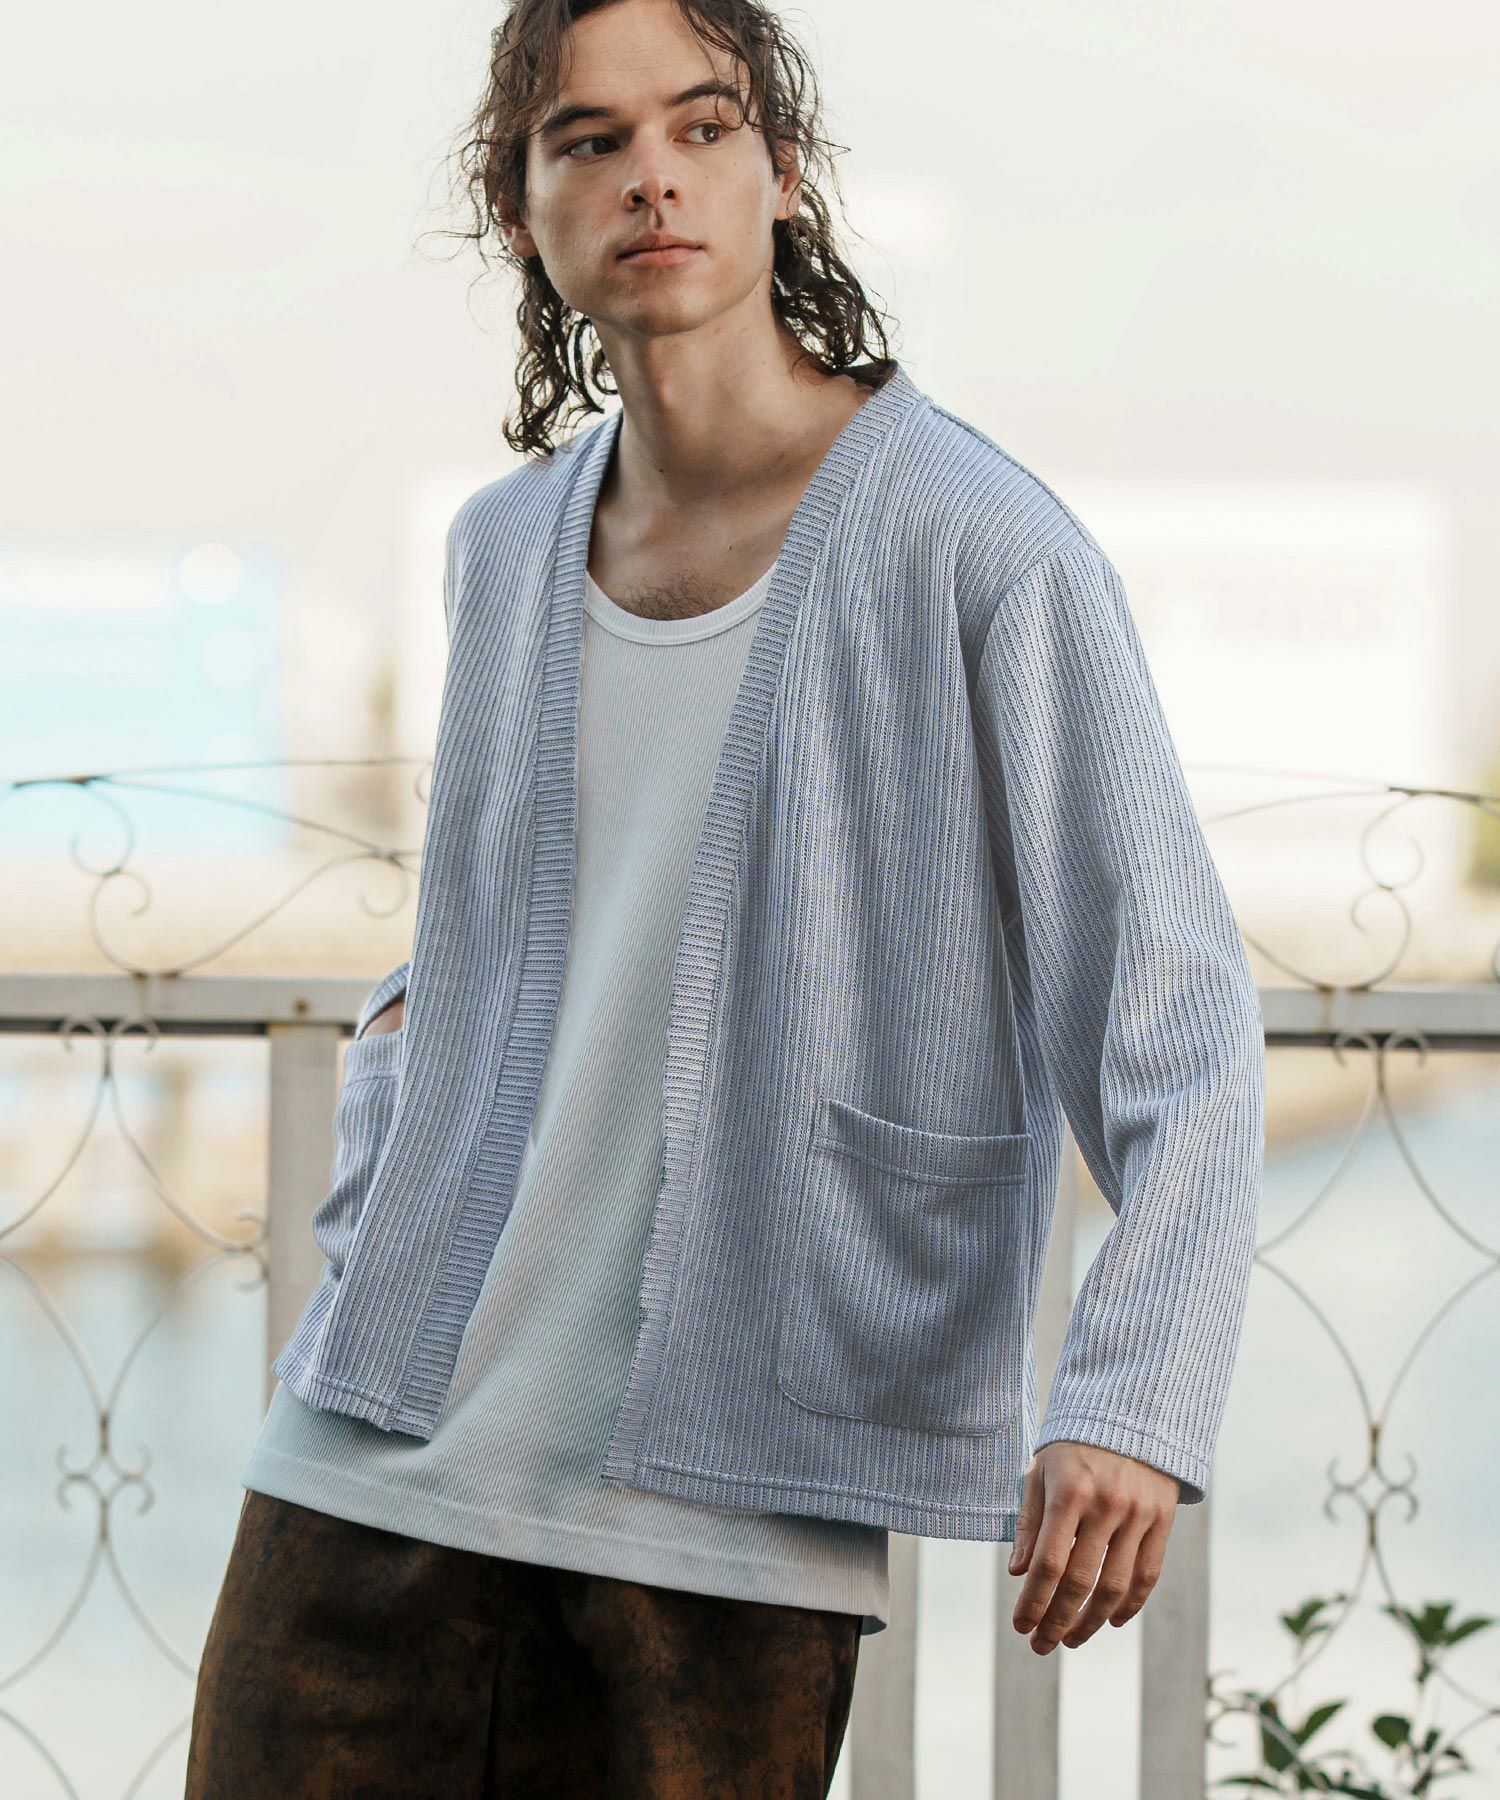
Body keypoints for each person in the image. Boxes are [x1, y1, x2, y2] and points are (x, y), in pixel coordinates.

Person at [186, 0, 1265, 1793]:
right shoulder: (501, 552)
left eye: (702, 127)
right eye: (590, 140)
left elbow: (1179, 1016)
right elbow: (493, 941)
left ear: (784, 173)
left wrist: (1131, 1404)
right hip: (370, 1451)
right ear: (518, 206)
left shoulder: (982, 548)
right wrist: (397, 1092)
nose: (653, 179)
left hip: (731, 1505)